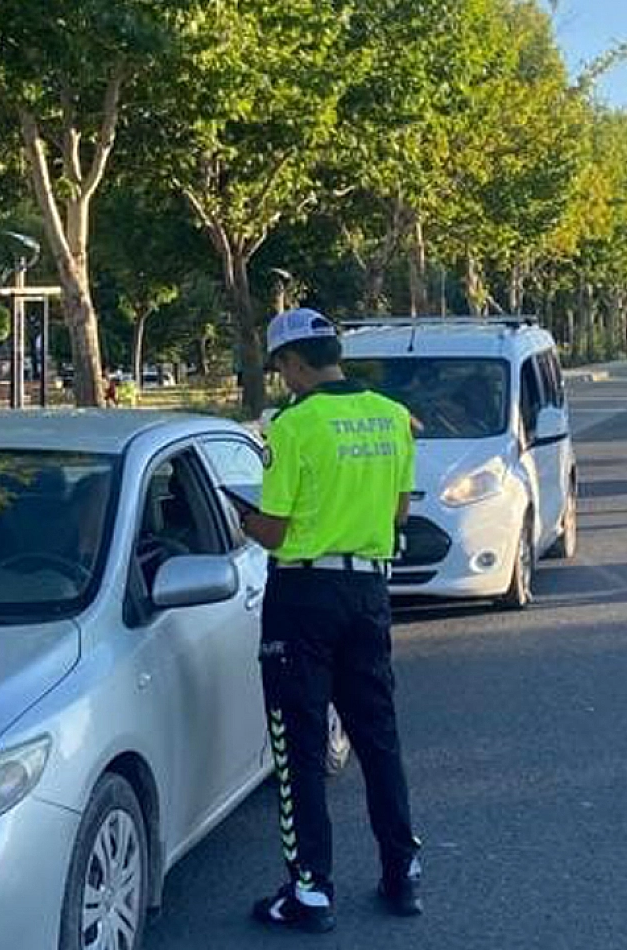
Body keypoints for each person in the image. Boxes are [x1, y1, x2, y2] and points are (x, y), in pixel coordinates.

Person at [233, 308, 423, 934]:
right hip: (369, 593)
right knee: (378, 738)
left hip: (304, 594)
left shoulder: (295, 425)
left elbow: (275, 528)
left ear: (291, 364)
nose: (282, 379)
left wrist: (242, 518)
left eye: (281, 367)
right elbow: (398, 516)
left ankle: (310, 891)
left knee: (300, 745)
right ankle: (403, 871)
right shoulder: (394, 419)